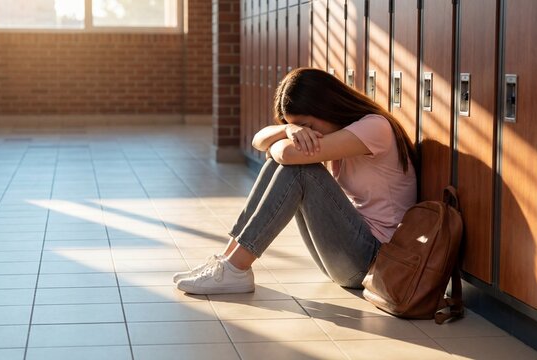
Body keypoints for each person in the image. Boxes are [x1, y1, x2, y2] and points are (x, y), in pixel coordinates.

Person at [173, 67, 418, 295]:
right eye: (297, 127)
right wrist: (286, 131)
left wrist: (283, 142)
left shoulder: (375, 127)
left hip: (375, 263)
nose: (304, 133)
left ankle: (235, 269)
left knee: (299, 168)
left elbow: (287, 154)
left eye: (306, 125)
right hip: (348, 257)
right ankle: (228, 261)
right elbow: (259, 141)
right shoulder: (340, 133)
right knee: (282, 162)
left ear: (327, 107)